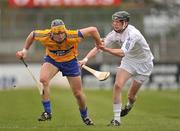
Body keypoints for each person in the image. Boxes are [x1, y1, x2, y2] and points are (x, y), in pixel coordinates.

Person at [16, 19, 102, 125]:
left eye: (62, 33)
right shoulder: (45, 35)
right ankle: (47, 112)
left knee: (78, 94)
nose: (61, 36)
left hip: (70, 62)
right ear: (52, 33)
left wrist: (99, 44)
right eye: (57, 34)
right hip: (52, 60)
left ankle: (85, 116)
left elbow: (93, 30)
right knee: (43, 80)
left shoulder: (72, 35)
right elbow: (32, 35)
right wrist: (25, 50)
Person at [79, 11, 154, 126]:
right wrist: (85, 59)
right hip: (129, 61)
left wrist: (106, 50)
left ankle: (129, 105)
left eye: (119, 22)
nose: (115, 24)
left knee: (131, 96)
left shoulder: (133, 34)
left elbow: (122, 53)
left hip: (144, 64)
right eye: (114, 21)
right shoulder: (113, 34)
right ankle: (117, 120)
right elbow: (99, 46)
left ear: (126, 23)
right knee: (118, 85)